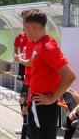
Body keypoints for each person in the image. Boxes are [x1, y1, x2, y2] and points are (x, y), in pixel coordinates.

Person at [15, 9, 76, 139]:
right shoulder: (37, 44)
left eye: (24, 27)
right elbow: (34, 64)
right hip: (35, 103)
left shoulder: (47, 46)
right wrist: (20, 60)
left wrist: (52, 98)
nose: (23, 31)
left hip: (44, 106)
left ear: (33, 27)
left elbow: (70, 76)